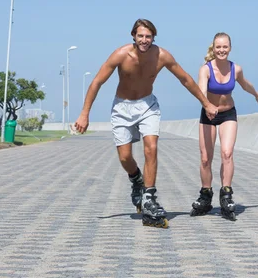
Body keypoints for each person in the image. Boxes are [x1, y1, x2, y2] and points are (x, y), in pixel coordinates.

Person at [74, 18, 218, 228]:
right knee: (125, 157)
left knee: (151, 147)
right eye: (140, 36)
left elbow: (185, 79)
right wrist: (84, 114)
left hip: (148, 106)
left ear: (153, 38)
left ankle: (149, 197)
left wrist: (206, 103)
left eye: (148, 36)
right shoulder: (121, 55)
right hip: (122, 108)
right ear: (133, 36)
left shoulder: (162, 56)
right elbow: (97, 81)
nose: (144, 40)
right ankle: (136, 180)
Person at [190, 32, 258, 221]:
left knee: (227, 153)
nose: (221, 50)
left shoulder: (235, 69)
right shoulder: (205, 69)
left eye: (225, 47)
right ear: (213, 48)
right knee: (206, 158)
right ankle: (205, 195)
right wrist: (207, 105)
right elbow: (201, 91)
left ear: (230, 48)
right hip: (208, 114)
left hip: (228, 114)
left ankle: (226, 194)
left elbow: (245, 84)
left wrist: (256, 94)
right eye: (218, 47)